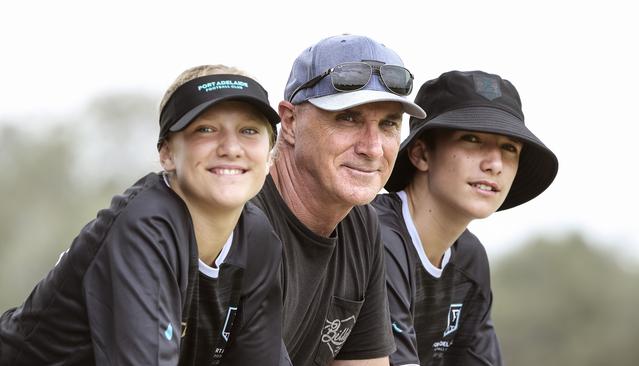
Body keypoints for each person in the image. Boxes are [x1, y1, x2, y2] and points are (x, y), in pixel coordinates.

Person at [0, 65, 284, 365]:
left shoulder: (256, 235)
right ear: (167, 154)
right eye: (206, 129)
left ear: (269, 156)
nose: (231, 148)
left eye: (249, 131)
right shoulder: (147, 225)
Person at [251, 34, 426, 366]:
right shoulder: (244, 219)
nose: (372, 148)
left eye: (388, 124)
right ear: (289, 123)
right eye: (348, 118)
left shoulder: (361, 223)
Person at [372, 70, 559, 365]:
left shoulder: (470, 259)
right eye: (472, 138)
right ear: (421, 154)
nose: (495, 164)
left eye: (509, 148)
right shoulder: (375, 236)